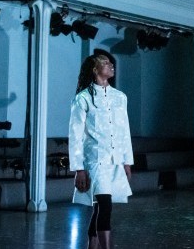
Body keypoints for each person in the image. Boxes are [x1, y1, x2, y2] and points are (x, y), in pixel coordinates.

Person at [69, 54, 134, 249]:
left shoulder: (120, 97)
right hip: (95, 160)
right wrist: (78, 168)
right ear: (95, 69)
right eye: (105, 63)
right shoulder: (83, 99)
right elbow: (75, 135)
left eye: (110, 62)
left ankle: (92, 245)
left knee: (99, 207)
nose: (111, 65)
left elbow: (124, 131)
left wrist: (127, 161)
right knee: (105, 204)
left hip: (115, 161)